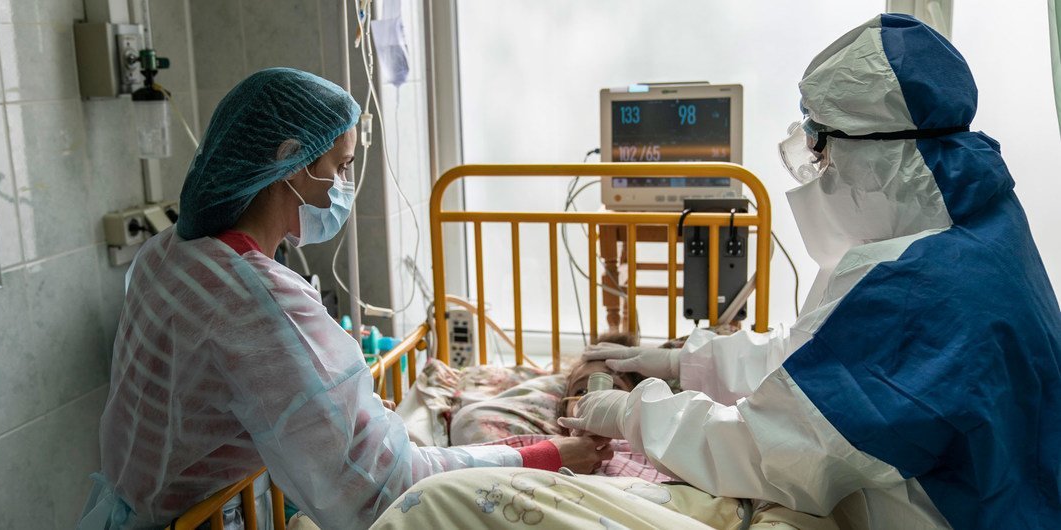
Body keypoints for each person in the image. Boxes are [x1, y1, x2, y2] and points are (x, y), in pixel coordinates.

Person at [561, 14, 1061, 529]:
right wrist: (680, 362)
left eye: (820, 148)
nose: (814, 170)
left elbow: (768, 452)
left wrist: (629, 412)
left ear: (874, 153)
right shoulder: (977, 221)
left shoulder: (920, 288)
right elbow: (819, 353)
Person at [76, 68, 610, 530]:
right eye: (343, 166)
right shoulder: (259, 306)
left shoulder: (169, 253)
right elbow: (383, 491)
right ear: (292, 162)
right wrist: (543, 453)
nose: (345, 186)